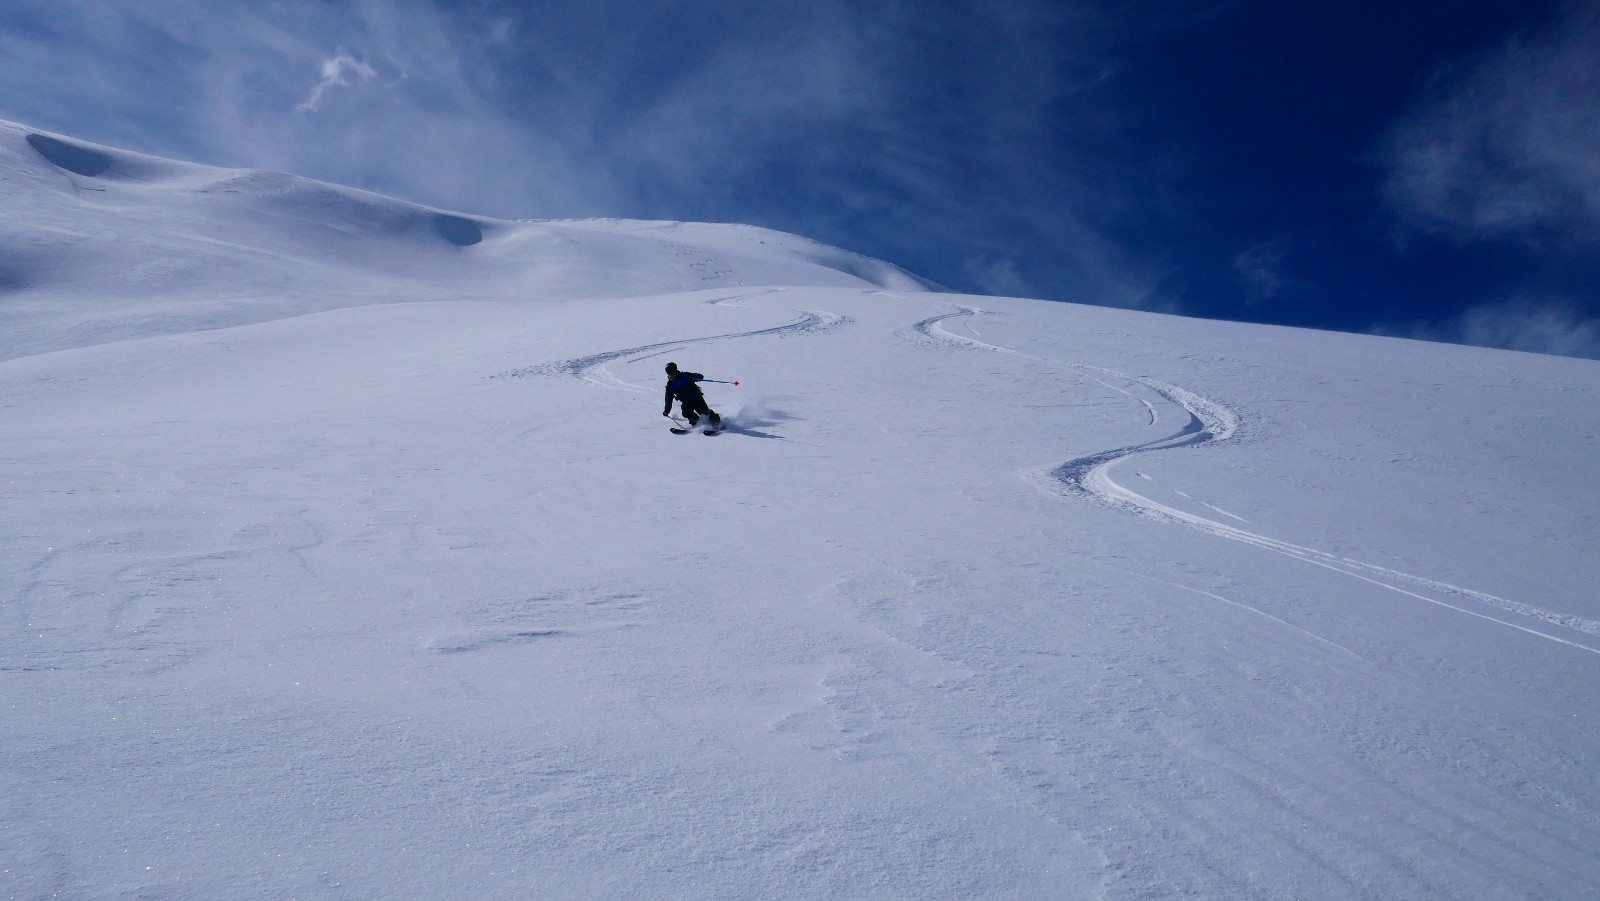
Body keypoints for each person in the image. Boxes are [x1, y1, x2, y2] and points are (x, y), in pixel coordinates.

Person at [662, 362, 723, 430]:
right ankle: (696, 422)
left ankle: (717, 423)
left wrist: (692, 377)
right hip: (687, 402)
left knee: (705, 412)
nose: (671, 375)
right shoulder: (670, 386)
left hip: (697, 398)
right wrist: (667, 410)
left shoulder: (685, 376)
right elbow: (668, 398)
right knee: (685, 412)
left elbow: (700, 377)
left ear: (675, 370)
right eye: (669, 373)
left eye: (672, 372)